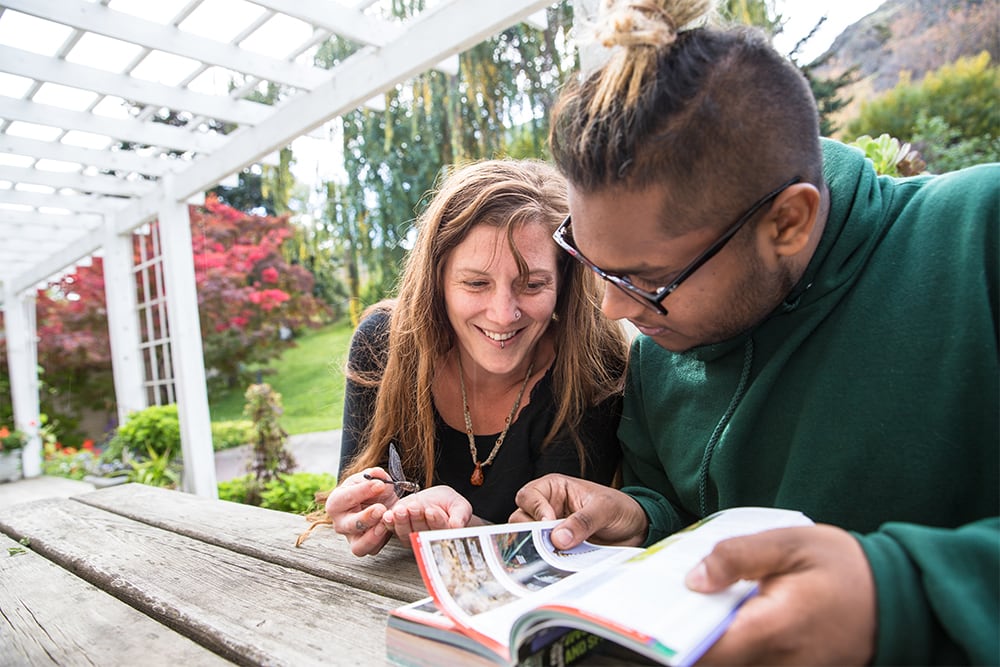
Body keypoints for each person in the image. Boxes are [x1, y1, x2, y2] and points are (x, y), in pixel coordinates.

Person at [510, 1, 999, 665]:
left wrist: (904, 596)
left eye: (647, 277)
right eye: (590, 262)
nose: (611, 310)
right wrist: (641, 515)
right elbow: (689, 513)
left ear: (790, 222)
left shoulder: (980, 238)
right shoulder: (660, 353)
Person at [313, 158, 629, 557]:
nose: (502, 313)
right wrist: (364, 511)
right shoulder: (382, 344)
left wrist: (455, 528)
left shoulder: (594, 366)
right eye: (476, 283)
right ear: (436, 280)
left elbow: (554, 546)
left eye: (532, 285)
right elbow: (355, 485)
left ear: (563, 284)